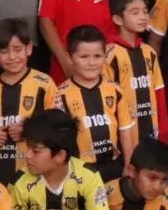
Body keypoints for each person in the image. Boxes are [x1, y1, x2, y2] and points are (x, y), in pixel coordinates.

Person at [0, 18, 59, 187]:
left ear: (28, 49)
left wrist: (28, 130)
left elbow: (55, 121)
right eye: (4, 51)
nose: (12, 57)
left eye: (17, 49)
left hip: (32, 169)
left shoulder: (45, 83)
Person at [55, 26, 137, 181]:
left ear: (105, 56)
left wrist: (128, 164)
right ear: (70, 57)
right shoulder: (60, 95)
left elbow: (126, 130)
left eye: (97, 56)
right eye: (84, 56)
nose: (91, 63)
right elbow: (59, 139)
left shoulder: (115, 89)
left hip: (114, 167)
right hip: (80, 171)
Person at [106, 0, 165, 148]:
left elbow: (158, 92)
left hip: (151, 134)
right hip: (123, 137)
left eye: (145, 12)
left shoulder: (149, 52)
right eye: (135, 12)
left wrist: (164, 132)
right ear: (118, 19)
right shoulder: (109, 54)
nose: (143, 17)